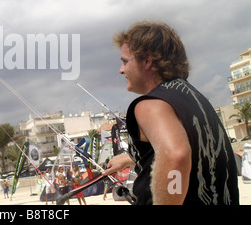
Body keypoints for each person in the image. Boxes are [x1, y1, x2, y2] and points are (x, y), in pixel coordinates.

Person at [102, 21, 239, 205]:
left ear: (147, 60)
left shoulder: (151, 105)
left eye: (125, 61)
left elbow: (176, 155)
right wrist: (130, 158)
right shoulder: (195, 98)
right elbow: (192, 151)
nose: (121, 70)